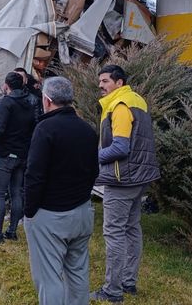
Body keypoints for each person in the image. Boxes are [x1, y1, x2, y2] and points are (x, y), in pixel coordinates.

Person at [23, 76, 99, 304]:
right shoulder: (87, 129)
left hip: (50, 215)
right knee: (77, 273)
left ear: (46, 100)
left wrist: (29, 211)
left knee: (49, 278)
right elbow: (93, 171)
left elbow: (34, 175)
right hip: (82, 212)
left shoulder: (45, 128)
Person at [91, 65, 160, 303]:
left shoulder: (119, 106)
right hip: (140, 177)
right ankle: (128, 282)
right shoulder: (137, 100)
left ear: (119, 83)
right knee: (132, 228)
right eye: (100, 81)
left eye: (105, 81)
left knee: (114, 232)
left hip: (122, 178)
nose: (100, 85)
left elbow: (120, 147)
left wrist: (89, 157)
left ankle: (112, 290)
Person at [0, 72, 37, 244]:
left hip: (7, 154)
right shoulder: (31, 101)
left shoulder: (7, 102)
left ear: (7, 85)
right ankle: (12, 231)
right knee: (16, 193)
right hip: (23, 154)